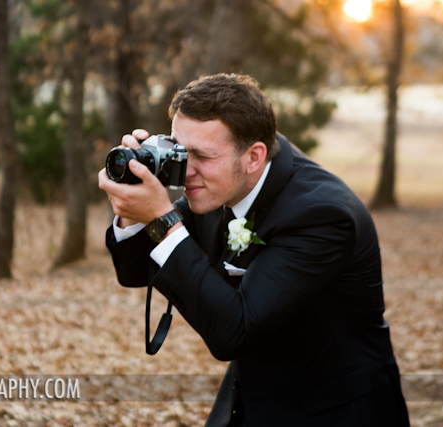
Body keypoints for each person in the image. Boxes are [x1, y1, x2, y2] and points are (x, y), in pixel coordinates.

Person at [98, 74, 410, 426]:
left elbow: (233, 331)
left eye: (202, 155)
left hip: (334, 412)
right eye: (181, 151)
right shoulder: (220, 183)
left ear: (254, 157)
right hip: (248, 404)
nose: (187, 170)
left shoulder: (323, 216)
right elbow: (136, 271)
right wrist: (131, 210)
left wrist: (162, 219)